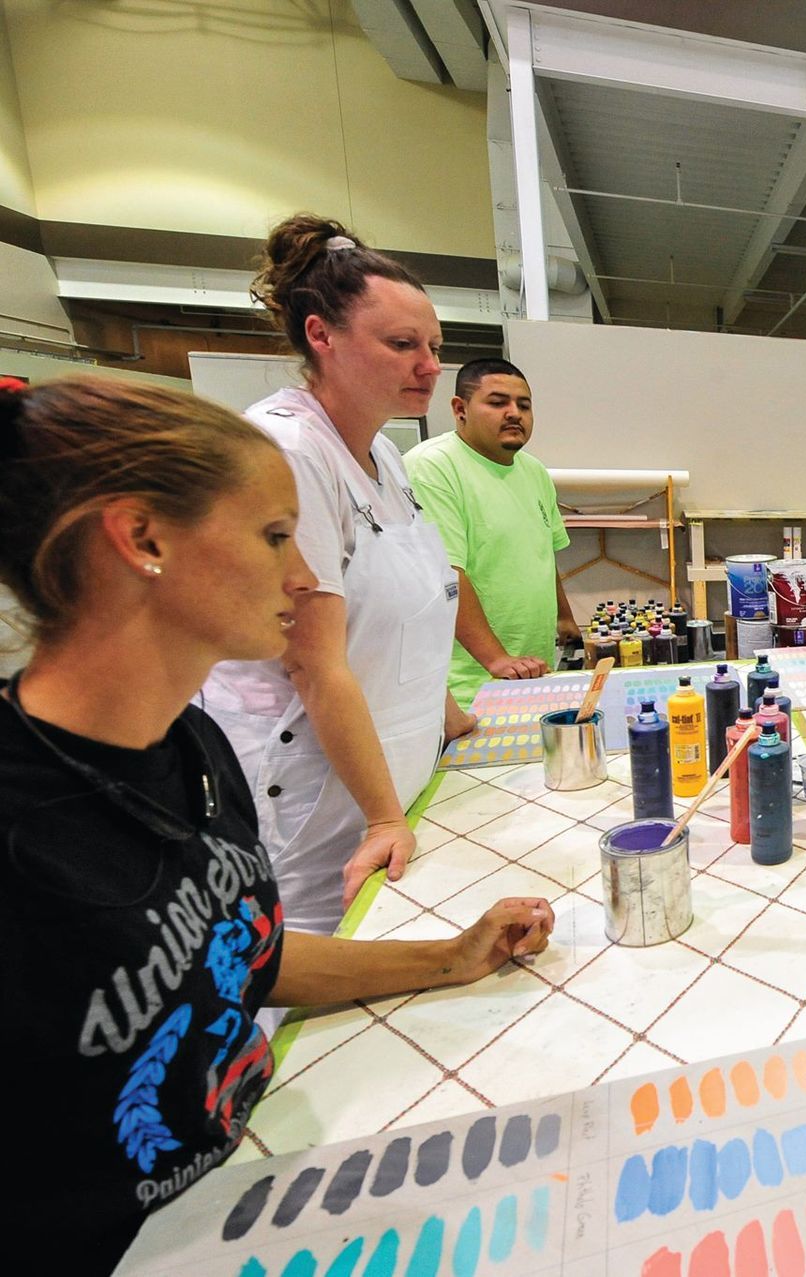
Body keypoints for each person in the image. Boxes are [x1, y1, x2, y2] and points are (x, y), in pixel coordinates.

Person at [0, 376, 554, 1276]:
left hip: (243, 1180)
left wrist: (450, 956)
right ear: (143, 540)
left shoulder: (193, 746)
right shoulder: (25, 823)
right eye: (271, 537)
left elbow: (234, 949)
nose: (304, 574)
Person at [199, 214, 475, 936]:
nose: (428, 365)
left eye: (434, 347)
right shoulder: (289, 453)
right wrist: (384, 815)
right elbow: (315, 663)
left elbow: (405, 607)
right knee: (315, 994)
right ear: (321, 336)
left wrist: (450, 717)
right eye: (402, 344)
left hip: (393, 779)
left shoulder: (382, 455)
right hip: (319, 801)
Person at [404, 358, 579, 706]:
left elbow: (542, 553)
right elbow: (445, 574)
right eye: (498, 403)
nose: (514, 413)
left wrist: (565, 617)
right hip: (469, 686)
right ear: (460, 409)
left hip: (530, 672)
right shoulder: (433, 467)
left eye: (523, 405)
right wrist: (496, 659)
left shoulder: (534, 472)